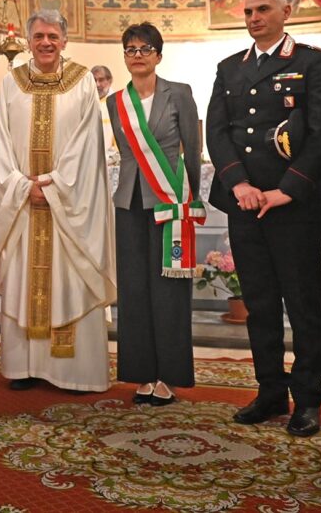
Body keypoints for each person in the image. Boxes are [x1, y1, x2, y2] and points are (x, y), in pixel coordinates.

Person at [206, 0, 321, 437]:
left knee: (302, 305)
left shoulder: (312, 62)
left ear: (287, 10)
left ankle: (308, 398)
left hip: (293, 208)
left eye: (264, 9)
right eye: (248, 11)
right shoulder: (229, 68)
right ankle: (270, 391)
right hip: (245, 204)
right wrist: (239, 183)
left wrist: (287, 190)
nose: (254, 17)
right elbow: (217, 132)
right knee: (259, 305)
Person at [0, 9, 116, 393]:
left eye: (53, 36)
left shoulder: (82, 83)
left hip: (68, 208)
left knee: (69, 277)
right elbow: (1, 142)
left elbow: (87, 144)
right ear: (28, 41)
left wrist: (55, 186)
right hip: (23, 203)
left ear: (65, 39)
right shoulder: (12, 83)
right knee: (27, 278)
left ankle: (73, 373)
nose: (46, 42)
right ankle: (24, 367)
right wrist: (21, 186)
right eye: (39, 35)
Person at [106, 23, 202, 405]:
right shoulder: (115, 101)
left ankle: (170, 375)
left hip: (169, 202)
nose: (138, 55)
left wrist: (189, 201)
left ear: (159, 55)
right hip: (129, 202)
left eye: (146, 48)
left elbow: (192, 150)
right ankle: (141, 374)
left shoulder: (179, 93)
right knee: (133, 290)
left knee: (169, 289)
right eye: (131, 49)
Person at [92, 65, 121, 194]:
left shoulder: (118, 103)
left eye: (101, 80)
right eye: (94, 80)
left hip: (111, 165)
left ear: (109, 81)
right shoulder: (87, 102)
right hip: (91, 165)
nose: (97, 84)